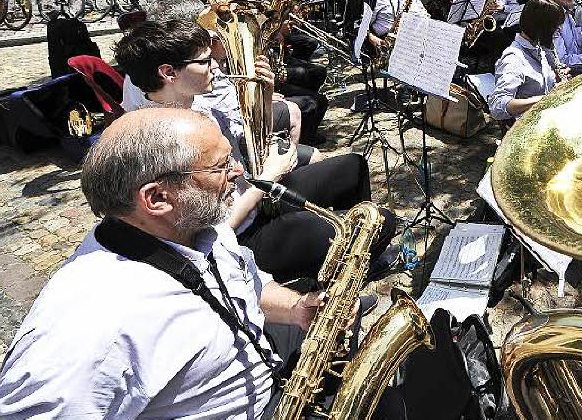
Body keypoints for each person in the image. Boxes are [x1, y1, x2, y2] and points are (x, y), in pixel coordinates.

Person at [0, 108, 404, 420]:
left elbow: (245, 283)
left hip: (256, 360)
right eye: (221, 167)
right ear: (157, 198)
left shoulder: (197, 225)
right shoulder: (94, 324)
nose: (239, 173)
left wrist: (297, 307)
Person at [114, 17, 394, 282]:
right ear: (168, 73)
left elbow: (250, 133)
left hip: (258, 199)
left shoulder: (197, 103)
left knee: (353, 167)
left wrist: (265, 93)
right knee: (379, 223)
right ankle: (338, 270)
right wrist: (269, 179)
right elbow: (216, 232)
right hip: (242, 237)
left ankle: (348, 263)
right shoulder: (162, 143)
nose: (214, 66)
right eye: (204, 61)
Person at [487, 0, 565, 121]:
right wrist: (544, 99)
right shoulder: (514, 59)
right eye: (555, 27)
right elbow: (497, 107)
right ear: (542, 28)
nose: (559, 30)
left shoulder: (540, 48)